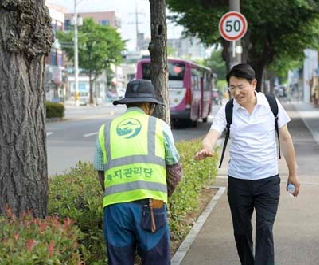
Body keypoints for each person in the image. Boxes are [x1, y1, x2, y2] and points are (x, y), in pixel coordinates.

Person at [194, 63, 300, 265]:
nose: (236, 92)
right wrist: (207, 147)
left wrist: (292, 174)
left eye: (240, 86)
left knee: (265, 229)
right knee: (241, 233)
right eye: (232, 87)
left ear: (253, 84)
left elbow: (285, 139)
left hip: (267, 180)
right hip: (239, 182)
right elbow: (212, 135)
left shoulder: (271, 104)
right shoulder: (228, 109)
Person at [93, 79, 182, 265]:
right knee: (156, 259)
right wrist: (164, 194)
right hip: (153, 203)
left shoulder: (105, 130)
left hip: (115, 206)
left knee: (119, 260)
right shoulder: (159, 127)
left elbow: (102, 174)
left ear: (127, 104)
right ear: (149, 105)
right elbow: (174, 170)